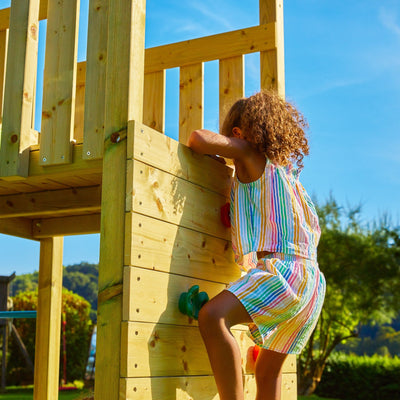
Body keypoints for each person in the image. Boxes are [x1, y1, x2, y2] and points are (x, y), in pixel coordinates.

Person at [187, 90, 326, 400]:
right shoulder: (285, 175)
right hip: (311, 283)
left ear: (238, 134)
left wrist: (224, 150)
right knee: (266, 372)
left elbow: (198, 138)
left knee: (212, 317)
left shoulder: (249, 154)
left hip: (285, 272)